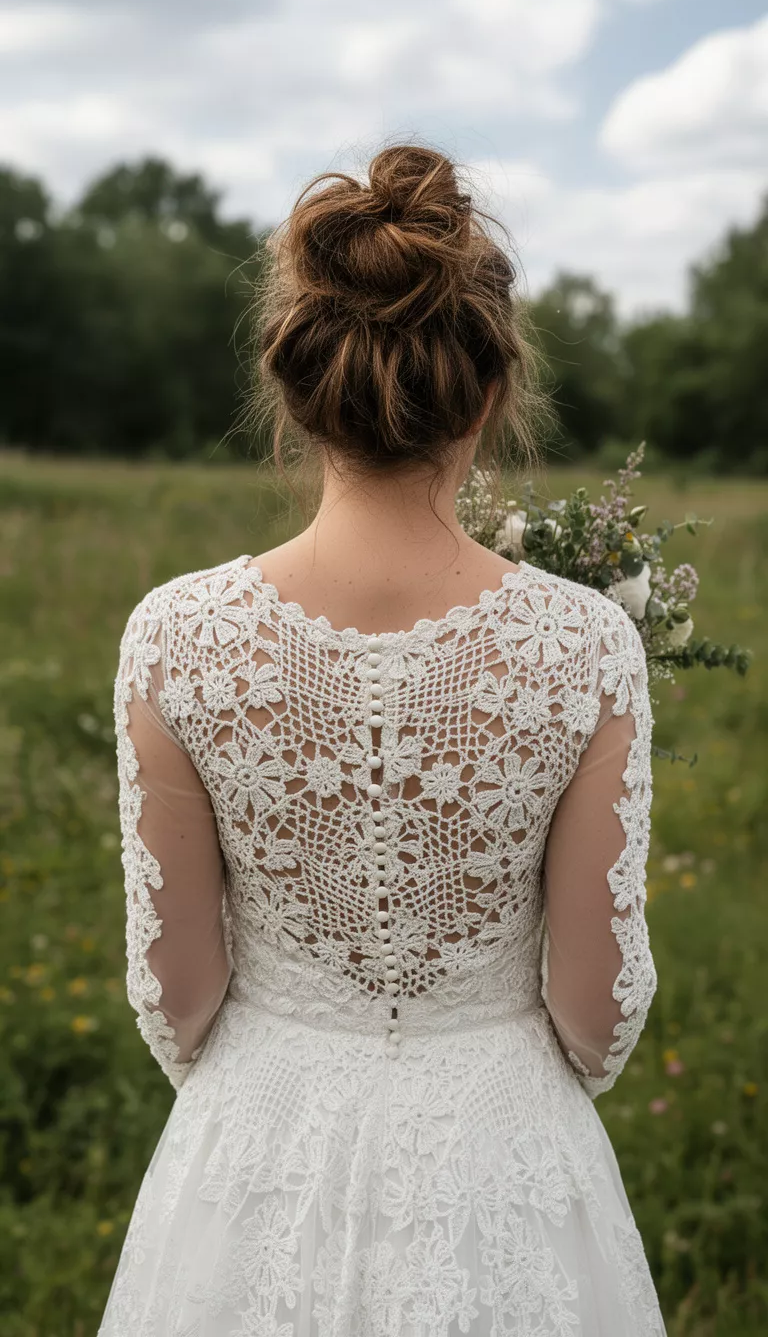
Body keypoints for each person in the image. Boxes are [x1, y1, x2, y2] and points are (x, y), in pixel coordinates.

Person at [99, 143, 666, 1335]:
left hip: (255, 1151)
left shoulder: (176, 640)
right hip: (505, 1148)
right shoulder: (585, 646)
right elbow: (593, 1009)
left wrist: (284, 1080)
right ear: (495, 392)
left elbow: (180, 994)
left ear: (295, 392)